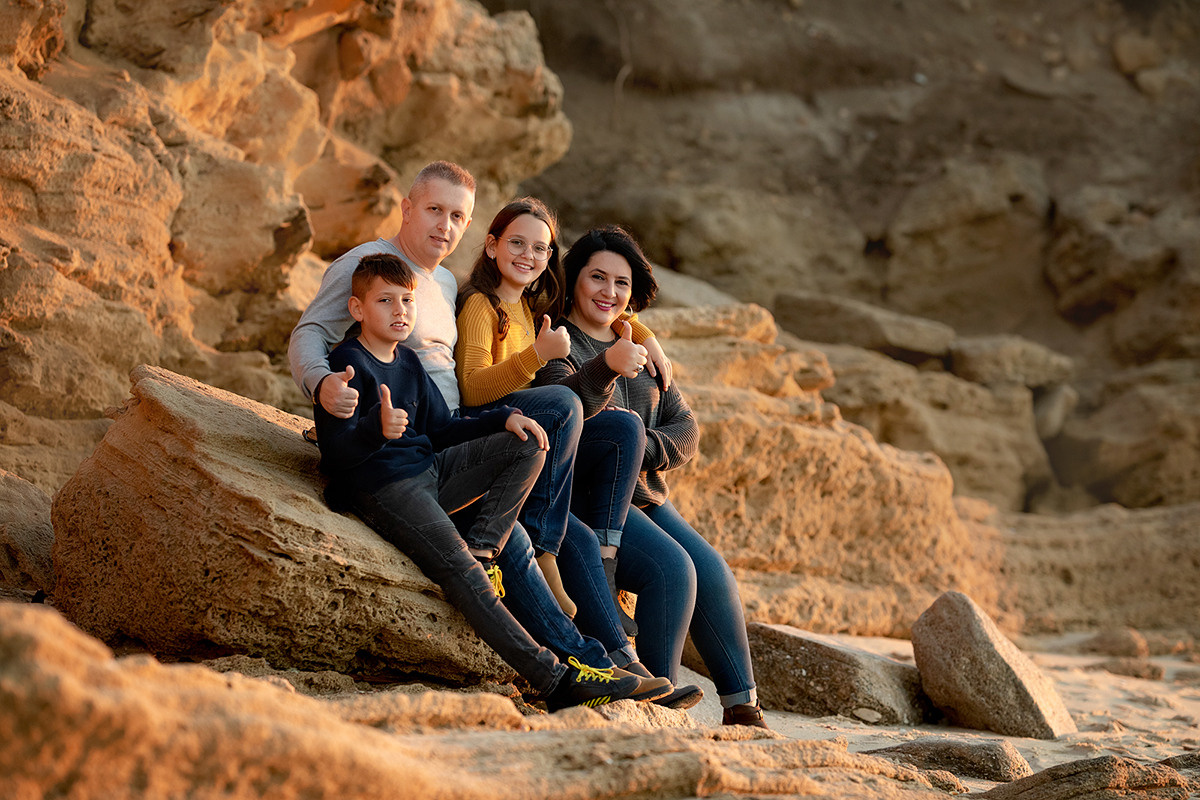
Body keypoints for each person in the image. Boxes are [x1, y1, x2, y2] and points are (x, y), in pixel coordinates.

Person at [288, 161, 670, 701]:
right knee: (501, 544)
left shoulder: (443, 282)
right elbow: (310, 333)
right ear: (407, 208)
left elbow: (564, 299)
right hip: (393, 458)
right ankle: (567, 672)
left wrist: (642, 330)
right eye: (434, 210)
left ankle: (596, 666)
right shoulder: (369, 269)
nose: (444, 225)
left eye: (457, 215)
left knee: (528, 452)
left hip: (444, 441)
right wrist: (322, 384)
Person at [535, 225, 767, 727]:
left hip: (644, 495)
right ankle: (657, 692)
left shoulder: (640, 347)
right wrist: (621, 419)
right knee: (671, 569)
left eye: (621, 283)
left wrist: (642, 446)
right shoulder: (558, 341)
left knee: (712, 569)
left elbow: (686, 430)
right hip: (587, 496)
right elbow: (569, 415)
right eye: (596, 277)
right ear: (573, 279)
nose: (608, 292)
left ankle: (742, 705)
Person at [454, 197, 649, 631]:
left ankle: (595, 560)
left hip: (526, 428)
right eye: (517, 244)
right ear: (491, 246)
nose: (529, 256)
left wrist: (642, 334)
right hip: (484, 423)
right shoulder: (481, 306)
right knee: (564, 402)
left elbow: (607, 300)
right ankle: (544, 547)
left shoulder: (529, 306)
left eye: (540, 249)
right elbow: (471, 389)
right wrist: (536, 356)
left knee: (614, 420)